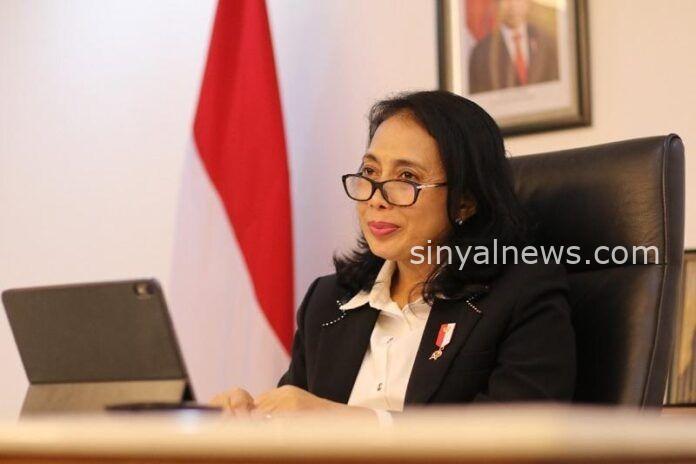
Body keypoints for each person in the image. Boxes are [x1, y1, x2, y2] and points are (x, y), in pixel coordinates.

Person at [211, 90, 576, 419]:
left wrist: (347, 422)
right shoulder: (328, 301)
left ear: (464, 202)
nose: (376, 198)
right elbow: (295, 428)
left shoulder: (521, 294)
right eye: (370, 171)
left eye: (406, 178)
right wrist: (251, 419)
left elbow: (518, 439)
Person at [469, 0, 559, 94]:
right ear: (496, 5)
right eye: (506, 1)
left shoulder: (546, 42)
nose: (512, 6)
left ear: (528, 3)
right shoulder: (481, 52)